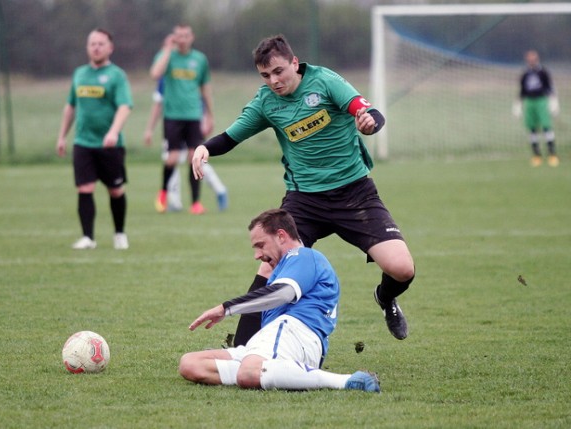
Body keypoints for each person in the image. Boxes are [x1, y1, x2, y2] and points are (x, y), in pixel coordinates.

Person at [192, 34, 415, 345]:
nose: (273, 81)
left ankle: (385, 297)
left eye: (279, 71)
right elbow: (231, 137)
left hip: (355, 194)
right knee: (270, 266)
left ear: (295, 63)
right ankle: (242, 347)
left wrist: (368, 124)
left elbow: (369, 112)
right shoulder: (266, 103)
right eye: (265, 75)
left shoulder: (325, 82)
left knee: (402, 268)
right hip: (304, 201)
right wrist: (204, 148)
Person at [179, 208, 380, 392]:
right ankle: (280, 374)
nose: (257, 255)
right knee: (190, 364)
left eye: (260, 245)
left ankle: (346, 381)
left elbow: (282, 293)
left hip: (295, 332)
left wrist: (226, 308)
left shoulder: (303, 255)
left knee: (248, 373)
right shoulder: (284, 268)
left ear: (281, 236)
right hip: (273, 340)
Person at [56, 28, 132, 250]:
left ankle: (119, 234)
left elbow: (125, 106)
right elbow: (70, 106)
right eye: (92, 43)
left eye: (101, 43)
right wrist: (62, 136)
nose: (96, 47)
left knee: (115, 190)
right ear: (87, 47)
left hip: (110, 145)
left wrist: (113, 131)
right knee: (85, 188)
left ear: (110, 47)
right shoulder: (79, 74)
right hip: (83, 143)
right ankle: (88, 237)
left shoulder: (117, 75)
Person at [149, 24, 214, 215]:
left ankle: (195, 203)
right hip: (172, 116)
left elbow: (205, 88)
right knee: (172, 158)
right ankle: (163, 192)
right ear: (174, 37)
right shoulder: (167, 56)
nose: (182, 39)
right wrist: (168, 49)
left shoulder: (200, 59)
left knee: (195, 158)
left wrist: (210, 114)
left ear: (191, 37)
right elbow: (155, 74)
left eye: (186, 36)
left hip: (194, 115)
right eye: (179, 36)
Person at [143, 79, 228, 212]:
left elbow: (205, 94)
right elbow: (158, 102)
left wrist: (207, 118)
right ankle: (173, 201)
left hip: (194, 120)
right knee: (172, 158)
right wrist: (150, 129)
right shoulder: (167, 73)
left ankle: (217, 191)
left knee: (196, 157)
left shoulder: (195, 67)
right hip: (172, 121)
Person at [514, 50, 559, 167]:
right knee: (532, 128)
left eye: (533, 58)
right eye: (529, 59)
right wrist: (518, 105)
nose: (531, 61)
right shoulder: (525, 74)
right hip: (529, 101)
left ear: (537, 59)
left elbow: (550, 87)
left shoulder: (543, 72)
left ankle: (552, 154)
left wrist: (554, 102)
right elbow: (522, 90)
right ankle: (536, 155)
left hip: (541, 100)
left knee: (546, 127)